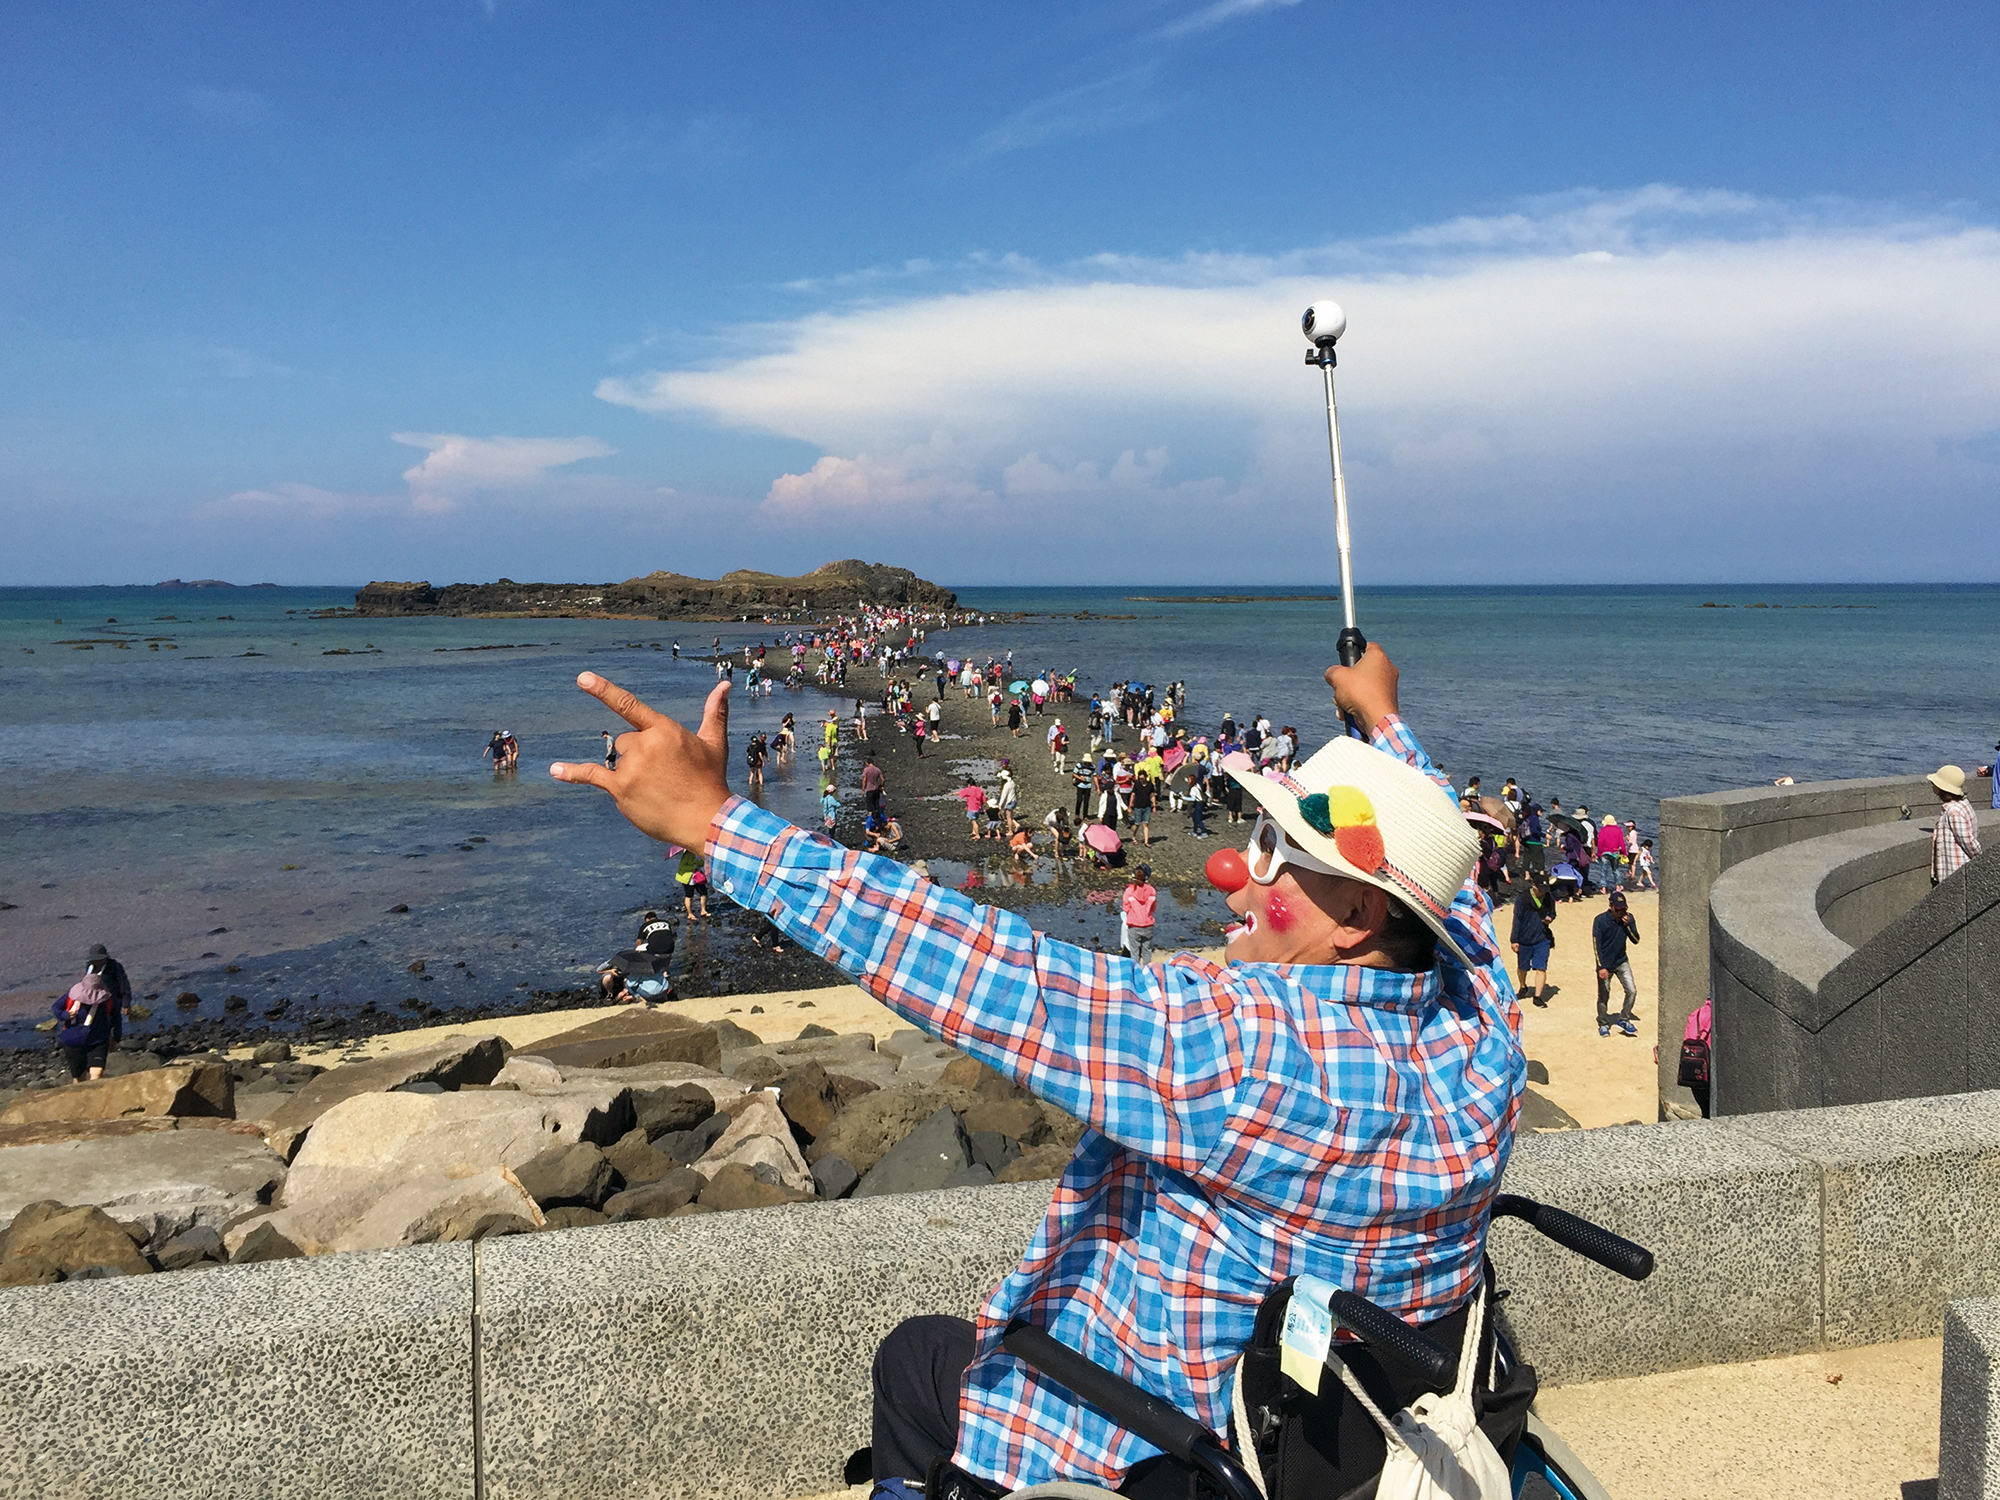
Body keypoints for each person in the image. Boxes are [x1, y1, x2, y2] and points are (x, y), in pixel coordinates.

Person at [547, 642, 1520, 1498]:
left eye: (1273, 852)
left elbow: (992, 973)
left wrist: (717, 823)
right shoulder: (1482, 1032)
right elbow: (1459, 893)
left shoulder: (1247, 1052)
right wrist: (1383, 723)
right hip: (1326, 1422)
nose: (1236, 873)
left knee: (916, 1362)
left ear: (1357, 918)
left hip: (1162, 1442)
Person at [1592, 890, 1641, 1038]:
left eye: (1623, 909)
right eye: (1618, 909)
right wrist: (1601, 967)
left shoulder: (1628, 919)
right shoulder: (1600, 921)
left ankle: (1624, 1019)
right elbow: (1596, 945)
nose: (1621, 913)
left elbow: (1636, 940)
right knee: (1604, 995)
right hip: (1605, 964)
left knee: (1632, 990)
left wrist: (1629, 925)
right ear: (1611, 906)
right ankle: (1603, 1023)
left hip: (1621, 961)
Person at [1929, 764, 1983, 886]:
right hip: (1958, 873)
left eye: (1934, 783)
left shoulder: (1954, 812)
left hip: (1955, 873)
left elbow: (1969, 843)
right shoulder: (1963, 804)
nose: (1932, 785)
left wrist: (1980, 861)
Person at [1509, 873, 1555, 1007]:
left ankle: (1537, 997)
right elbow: (1517, 919)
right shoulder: (1522, 898)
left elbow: (1552, 913)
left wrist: (1550, 918)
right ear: (1533, 885)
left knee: (1541, 967)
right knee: (1522, 967)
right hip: (1524, 938)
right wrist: (1514, 940)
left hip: (1542, 938)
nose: (1542, 892)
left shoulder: (1549, 898)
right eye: (1540, 889)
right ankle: (1523, 986)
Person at [1120, 864, 1157, 963]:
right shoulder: (1151, 890)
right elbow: (1153, 908)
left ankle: (1135, 970)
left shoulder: (1130, 891)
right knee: (1147, 952)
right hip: (1148, 925)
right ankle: (1147, 969)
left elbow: (1126, 908)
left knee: (1134, 952)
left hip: (1134, 925)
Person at [675, 847, 711, 919]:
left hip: (697, 877)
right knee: (689, 896)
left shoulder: (695, 854)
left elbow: (700, 863)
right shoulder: (687, 855)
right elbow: (682, 867)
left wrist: (703, 859)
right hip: (688, 879)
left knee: (704, 893)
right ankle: (690, 913)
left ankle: (703, 910)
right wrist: (694, 866)